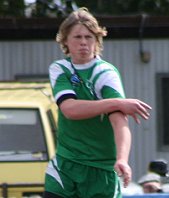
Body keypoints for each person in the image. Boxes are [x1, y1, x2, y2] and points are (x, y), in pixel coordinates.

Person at [44, 7, 151, 198]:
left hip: (101, 168)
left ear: (97, 40)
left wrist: (122, 159)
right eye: (77, 37)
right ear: (65, 40)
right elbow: (70, 110)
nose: (83, 42)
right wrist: (116, 102)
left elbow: (120, 122)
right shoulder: (60, 69)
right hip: (66, 163)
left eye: (89, 37)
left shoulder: (105, 73)